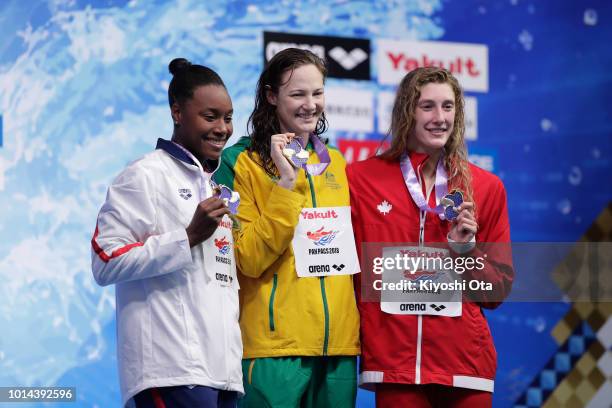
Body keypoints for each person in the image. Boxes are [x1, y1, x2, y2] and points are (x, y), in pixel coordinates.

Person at [347, 67, 513, 407]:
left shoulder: (485, 187)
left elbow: (496, 291)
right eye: (427, 107)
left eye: (448, 107)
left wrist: (466, 250)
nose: (440, 118)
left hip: (465, 365)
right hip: (395, 366)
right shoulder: (361, 180)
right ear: (406, 111)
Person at [91, 58, 243, 408]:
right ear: (177, 112)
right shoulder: (144, 175)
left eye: (228, 117)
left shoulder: (216, 187)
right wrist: (186, 237)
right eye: (210, 117)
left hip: (222, 375)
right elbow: (105, 263)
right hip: (170, 371)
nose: (222, 128)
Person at [214, 48, 360, 408]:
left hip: (338, 351)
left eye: (317, 93)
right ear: (271, 96)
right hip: (272, 351)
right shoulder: (236, 163)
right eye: (297, 94)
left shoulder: (336, 162)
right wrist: (285, 184)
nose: (310, 104)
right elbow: (246, 258)